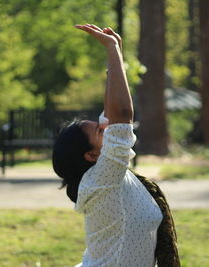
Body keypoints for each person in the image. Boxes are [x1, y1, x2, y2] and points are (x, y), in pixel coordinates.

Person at [52, 24, 180, 267]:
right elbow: (121, 115)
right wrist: (111, 50)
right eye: (100, 130)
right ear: (90, 155)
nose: (106, 126)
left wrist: (116, 59)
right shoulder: (102, 181)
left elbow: (112, 116)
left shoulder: (106, 176)